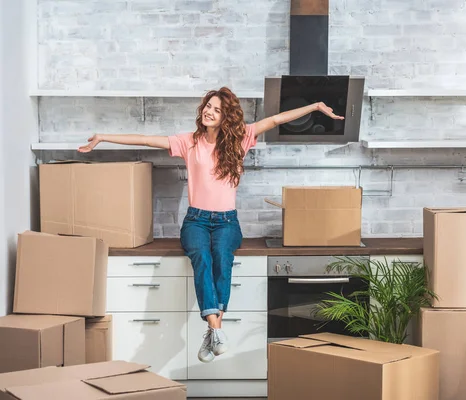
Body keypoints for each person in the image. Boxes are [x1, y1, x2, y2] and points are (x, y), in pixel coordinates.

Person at [78, 87, 343, 363]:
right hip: (196, 221)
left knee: (222, 258)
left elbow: (275, 120)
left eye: (216, 109)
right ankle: (216, 328)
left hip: (227, 222)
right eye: (208, 106)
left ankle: (212, 330)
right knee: (201, 258)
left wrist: (314, 106)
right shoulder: (188, 142)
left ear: (225, 116)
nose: (209, 111)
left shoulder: (241, 139)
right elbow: (145, 139)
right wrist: (102, 137)